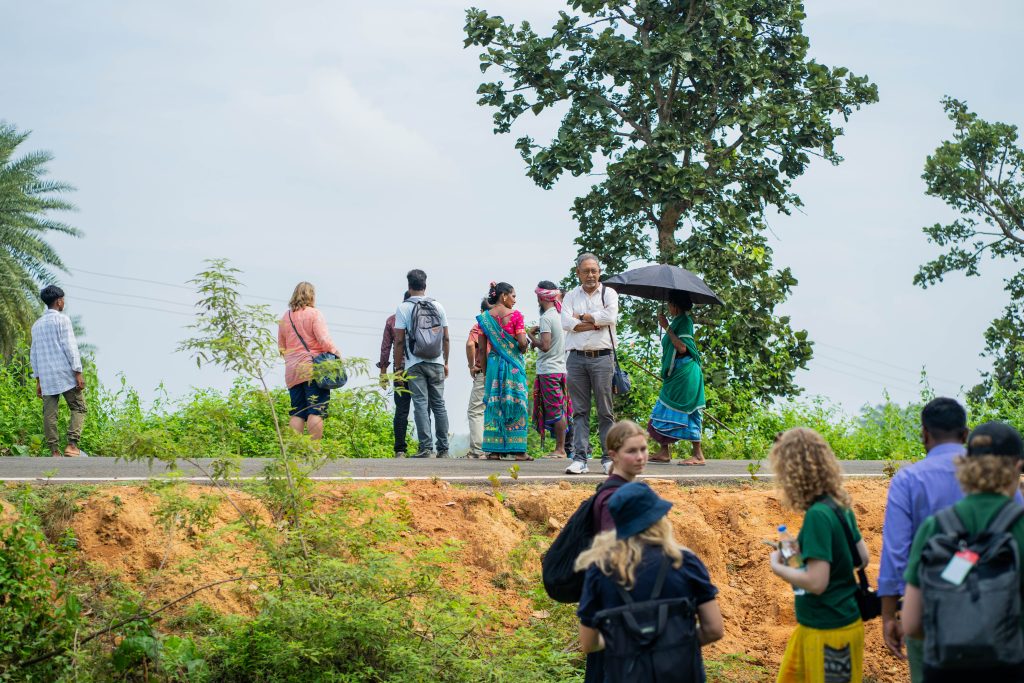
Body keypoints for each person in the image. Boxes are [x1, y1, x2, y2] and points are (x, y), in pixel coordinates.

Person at [877, 398, 1023, 679]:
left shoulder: (927, 515)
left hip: (940, 644)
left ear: (925, 433)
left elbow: (896, 554)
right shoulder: (1017, 517)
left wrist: (888, 615)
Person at [575, 482, 724, 682]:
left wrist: (629, 644)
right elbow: (713, 629)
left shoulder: (600, 570)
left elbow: (588, 643)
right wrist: (671, 644)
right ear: (658, 518)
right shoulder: (685, 562)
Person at [768, 428, 870, 683]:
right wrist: (807, 547)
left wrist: (777, 566)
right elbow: (863, 558)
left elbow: (817, 581)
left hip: (829, 632)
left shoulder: (816, 516)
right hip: (830, 625)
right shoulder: (839, 506)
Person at [562, 253, 619, 475]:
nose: (590, 275)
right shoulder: (570, 296)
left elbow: (610, 318)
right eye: (585, 271)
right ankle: (579, 459)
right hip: (576, 358)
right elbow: (566, 322)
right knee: (579, 411)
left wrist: (583, 317)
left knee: (606, 411)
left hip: (603, 357)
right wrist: (595, 322)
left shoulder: (609, 293)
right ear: (578, 273)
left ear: (599, 271)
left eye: (594, 270)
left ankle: (608, 459)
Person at [394, 269, 451, 458]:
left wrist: (398, 368)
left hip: (414, 363)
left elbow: (399, 341)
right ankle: (443, 448)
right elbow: (446, 338)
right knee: (439, 405)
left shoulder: (403, 308)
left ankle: (426, 448)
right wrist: (446, 361)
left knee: (420, 404)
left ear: (409, 287)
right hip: (436, 361)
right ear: (425, 285)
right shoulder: (438, 306)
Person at [648, 291, 706, 466]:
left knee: (689, 410)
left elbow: (681, 348)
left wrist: (666, 327)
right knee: (664, 408)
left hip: (686, 373)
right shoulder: (678, 321)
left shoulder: (685, 322)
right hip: (677, 374)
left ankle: (698, 455)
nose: (668, 308)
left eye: (670, 305)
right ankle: (664, 451)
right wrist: (668, 326)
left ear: (675, 306)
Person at [278, 281, 341, 440]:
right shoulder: (314, 314)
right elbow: (324, 341)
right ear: (311, 295)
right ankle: (314, 451)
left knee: (297, 411)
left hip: (292, 371)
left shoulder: (285, 317)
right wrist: (337, 353)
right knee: (316, 409)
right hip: (313, 368)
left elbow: (281, 347)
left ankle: (296, 451)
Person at [475, 282, 531, 461]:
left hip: (493, 364)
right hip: (512, 366)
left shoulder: (485, 318)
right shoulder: (516, 316)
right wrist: (524, 347)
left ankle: (494, 450)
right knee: (516, 401)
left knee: (494, 402)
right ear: (504, 296)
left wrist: (484, 374)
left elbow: (482, 350)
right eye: (513, 296)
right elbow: (522, 343)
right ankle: (519, 451)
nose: (515, 300)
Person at [29, 285, 87, 457]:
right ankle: (72, 445)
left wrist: (38, 380)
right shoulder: (63, 320)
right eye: (63, 300)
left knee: (49, 414)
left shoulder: (36, 325)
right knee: (79, 408)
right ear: (59, 301)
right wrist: (78, 372)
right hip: (65, 375)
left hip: (47, 377)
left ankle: (54, 452)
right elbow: (70, 347)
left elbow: (34, 354)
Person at [529, 281, 571, 457]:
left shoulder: (546, 317)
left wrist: (531, 336)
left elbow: (545, 346)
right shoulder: (560, 315)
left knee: (556, 409)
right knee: (561, 407)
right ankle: (563, 447)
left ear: (540, 297)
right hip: (561, 368)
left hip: (549, 370)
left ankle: (560, 449)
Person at [377, 291, 412, 457]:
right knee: (423, 407)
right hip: (419, 367)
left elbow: (386, 347)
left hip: (399, 369)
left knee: (401, 408)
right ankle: (427, 448)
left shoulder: (392, 320)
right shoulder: (421, 318)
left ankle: (400, 449)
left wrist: (383, 373)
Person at [466, 298, 492, 458]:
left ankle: (478, 449)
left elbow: (470, 345)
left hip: (484, 371)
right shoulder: (501, 324)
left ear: (482, 311)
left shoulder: (480, 324)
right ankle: (496, 449)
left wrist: (471, 366)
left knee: (476, 410)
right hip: (501, 372)